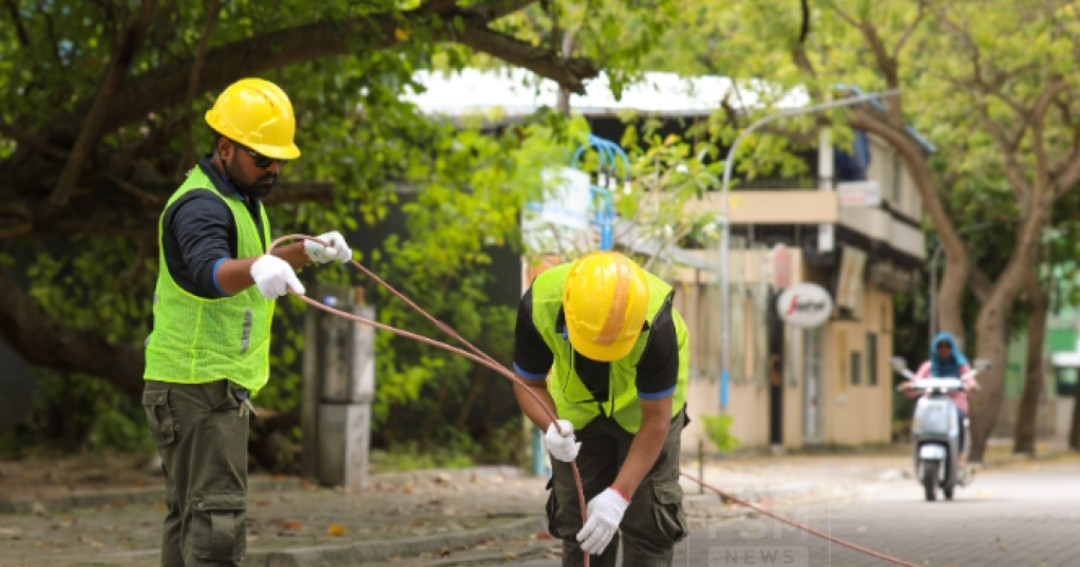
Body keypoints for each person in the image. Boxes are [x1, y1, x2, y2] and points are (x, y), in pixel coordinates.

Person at [142, 77, 352, 567]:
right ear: (225, 148)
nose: (274, 168)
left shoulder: (238, 199)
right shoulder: (201, 205)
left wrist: (306, 252)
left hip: (190, 386)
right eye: (263, 158)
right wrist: (258, 268)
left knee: (189, 517)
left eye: (280, 159)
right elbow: (208, 270)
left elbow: (247, 261)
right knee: (216, 528)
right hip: (199, 390)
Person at [512, 251, 689, 567]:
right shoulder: (538, 305)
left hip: (644, 417)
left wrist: (619, 496)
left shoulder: (658, 324)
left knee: (649, 520)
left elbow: (656, 419)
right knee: (582, 525)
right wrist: (551, 425)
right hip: (576, 416)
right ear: (568, 312)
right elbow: (529, 383)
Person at [901, 331, 979, 466]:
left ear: (952, 348)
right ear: (935, 348)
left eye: (947, 346)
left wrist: (971, 386)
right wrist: (909, 386)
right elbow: (916, 382)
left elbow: (969, 381)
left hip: (954, 405)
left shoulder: (960, 365)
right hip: (931, 406)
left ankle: (960, 453)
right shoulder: (928, 367)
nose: (943, 349)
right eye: (940, 346)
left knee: (959, 418)